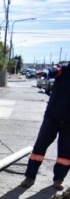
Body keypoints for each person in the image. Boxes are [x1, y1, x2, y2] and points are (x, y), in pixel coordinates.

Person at [21, 63, 70, 191]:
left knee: (65, 154)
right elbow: (54, 69)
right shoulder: (65, 69)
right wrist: (45, 72)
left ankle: (59, 179)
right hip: (52, 116)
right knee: (39, 147)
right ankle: (30, 177)